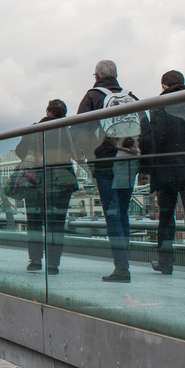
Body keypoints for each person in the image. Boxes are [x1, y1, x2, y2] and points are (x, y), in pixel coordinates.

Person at [76, 60, 144, 283]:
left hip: (106, 162)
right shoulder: (131, 96)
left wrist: (88, 158)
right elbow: (147, 129)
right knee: (123, 212)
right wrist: (144, 163)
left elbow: (80, 130)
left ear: (95, 76)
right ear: (116, 75)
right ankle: (124, 262)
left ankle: (122, 267)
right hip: (130, 160)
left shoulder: (93, 97)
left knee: (112, 214)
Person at [141, 70, 185, 280]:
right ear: (183, 83)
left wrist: (147, 168)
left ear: (163, 86)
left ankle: (165, 262)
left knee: (166, 217)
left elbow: (155, 141)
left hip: (167, 169)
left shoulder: (157, 106)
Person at [15, 100, 78, 275]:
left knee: (34, 222)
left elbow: (20, 152)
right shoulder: (67, 131)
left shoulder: (34, 130)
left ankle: (35, 260)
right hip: (62, 181)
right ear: (64, 114)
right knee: (56, 224)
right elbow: (78, 153)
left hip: (36, 180)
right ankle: (53, 264)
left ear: (47, 112)